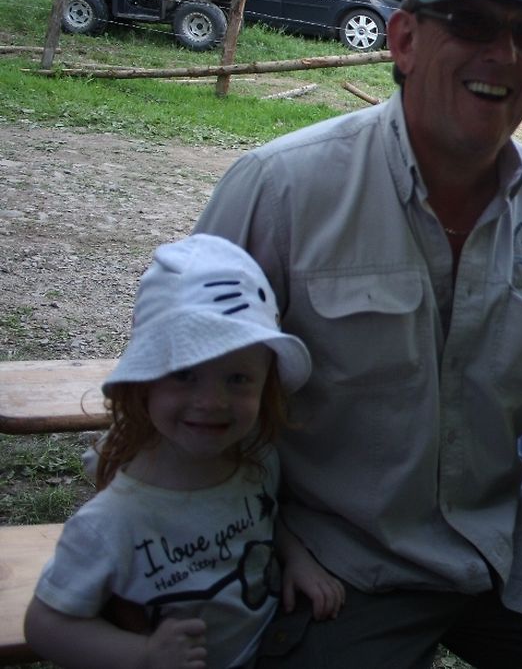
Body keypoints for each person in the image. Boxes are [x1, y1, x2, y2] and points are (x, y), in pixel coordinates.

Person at [193, 0, 522, 669]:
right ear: (404, 40)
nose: (503, 54)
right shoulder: (280, 188)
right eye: (472, 23)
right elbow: (186, 387)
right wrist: (268, 536)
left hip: (497, 550)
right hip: (335, 559)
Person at [24, 233, 342, 669]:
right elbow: (45, 625)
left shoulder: (256, 461)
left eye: (237, 379)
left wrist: (296, 558)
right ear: (144, 383)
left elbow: (263, 516)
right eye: (184, 375)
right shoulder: (111, 523)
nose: (211, 401)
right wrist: (143, 655)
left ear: (265, 385)